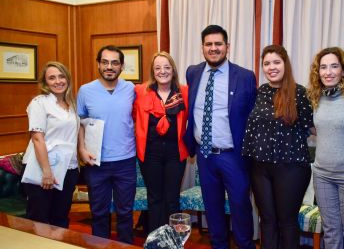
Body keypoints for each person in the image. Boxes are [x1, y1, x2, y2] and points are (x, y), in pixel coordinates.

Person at [184, 24, 256, 249]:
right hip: (204, 155)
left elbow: (252, 117)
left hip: (233, 156)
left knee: (240, 208)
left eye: (218, 44)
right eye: (209, 44)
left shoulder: (244, 76)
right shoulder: (193, 72)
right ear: (202, 47)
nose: (213, 48)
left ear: (227, 47)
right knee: (213, 210)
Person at [242, 44, 313, 249]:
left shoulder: (300, 93)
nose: (271, 67)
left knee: (287, 223)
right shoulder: (261, 91)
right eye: (266, 63)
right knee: (267, 220)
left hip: (291, 167)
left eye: (276, 62)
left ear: (285, 64)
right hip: (260, 168)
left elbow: (311, 126)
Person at [77, 45, 136, 244]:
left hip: (126, 162)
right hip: (96, 162)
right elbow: (80, 123)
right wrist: (81, 150)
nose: (109, 67)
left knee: (125, 213)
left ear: (121, 66)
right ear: (98, 64)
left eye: (114, 63)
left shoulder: (131, 89)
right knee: (99, 213)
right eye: (105, 62)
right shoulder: (85, 90)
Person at [307, 47, 344, 249]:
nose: (328, 72)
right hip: (322, 175)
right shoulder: (315, 98)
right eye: (323, 67)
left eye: (334, 66)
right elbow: (319, 129)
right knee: (330, 233)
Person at [133, 51, 189, 233]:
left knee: (172, 198)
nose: (162, 71)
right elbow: (133, 117)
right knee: (155, 198)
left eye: (166, 67)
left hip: (176, 153)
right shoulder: (140, 92)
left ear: (173, 70)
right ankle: (155, 238)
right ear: (152, 71)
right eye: (158, 68)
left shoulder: (184, 92)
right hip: (150, 155)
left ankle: (173, 239)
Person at [22, 61, 79, 228]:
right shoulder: (40, 103)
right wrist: (46, 171)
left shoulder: (72, 104)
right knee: (39, 220)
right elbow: (37, 138)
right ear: (45, 82)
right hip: (41, 169)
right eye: (52, 78)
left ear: (67, 78)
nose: (58, 81)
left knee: (60, 218)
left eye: (61, 76)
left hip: (68, 168)